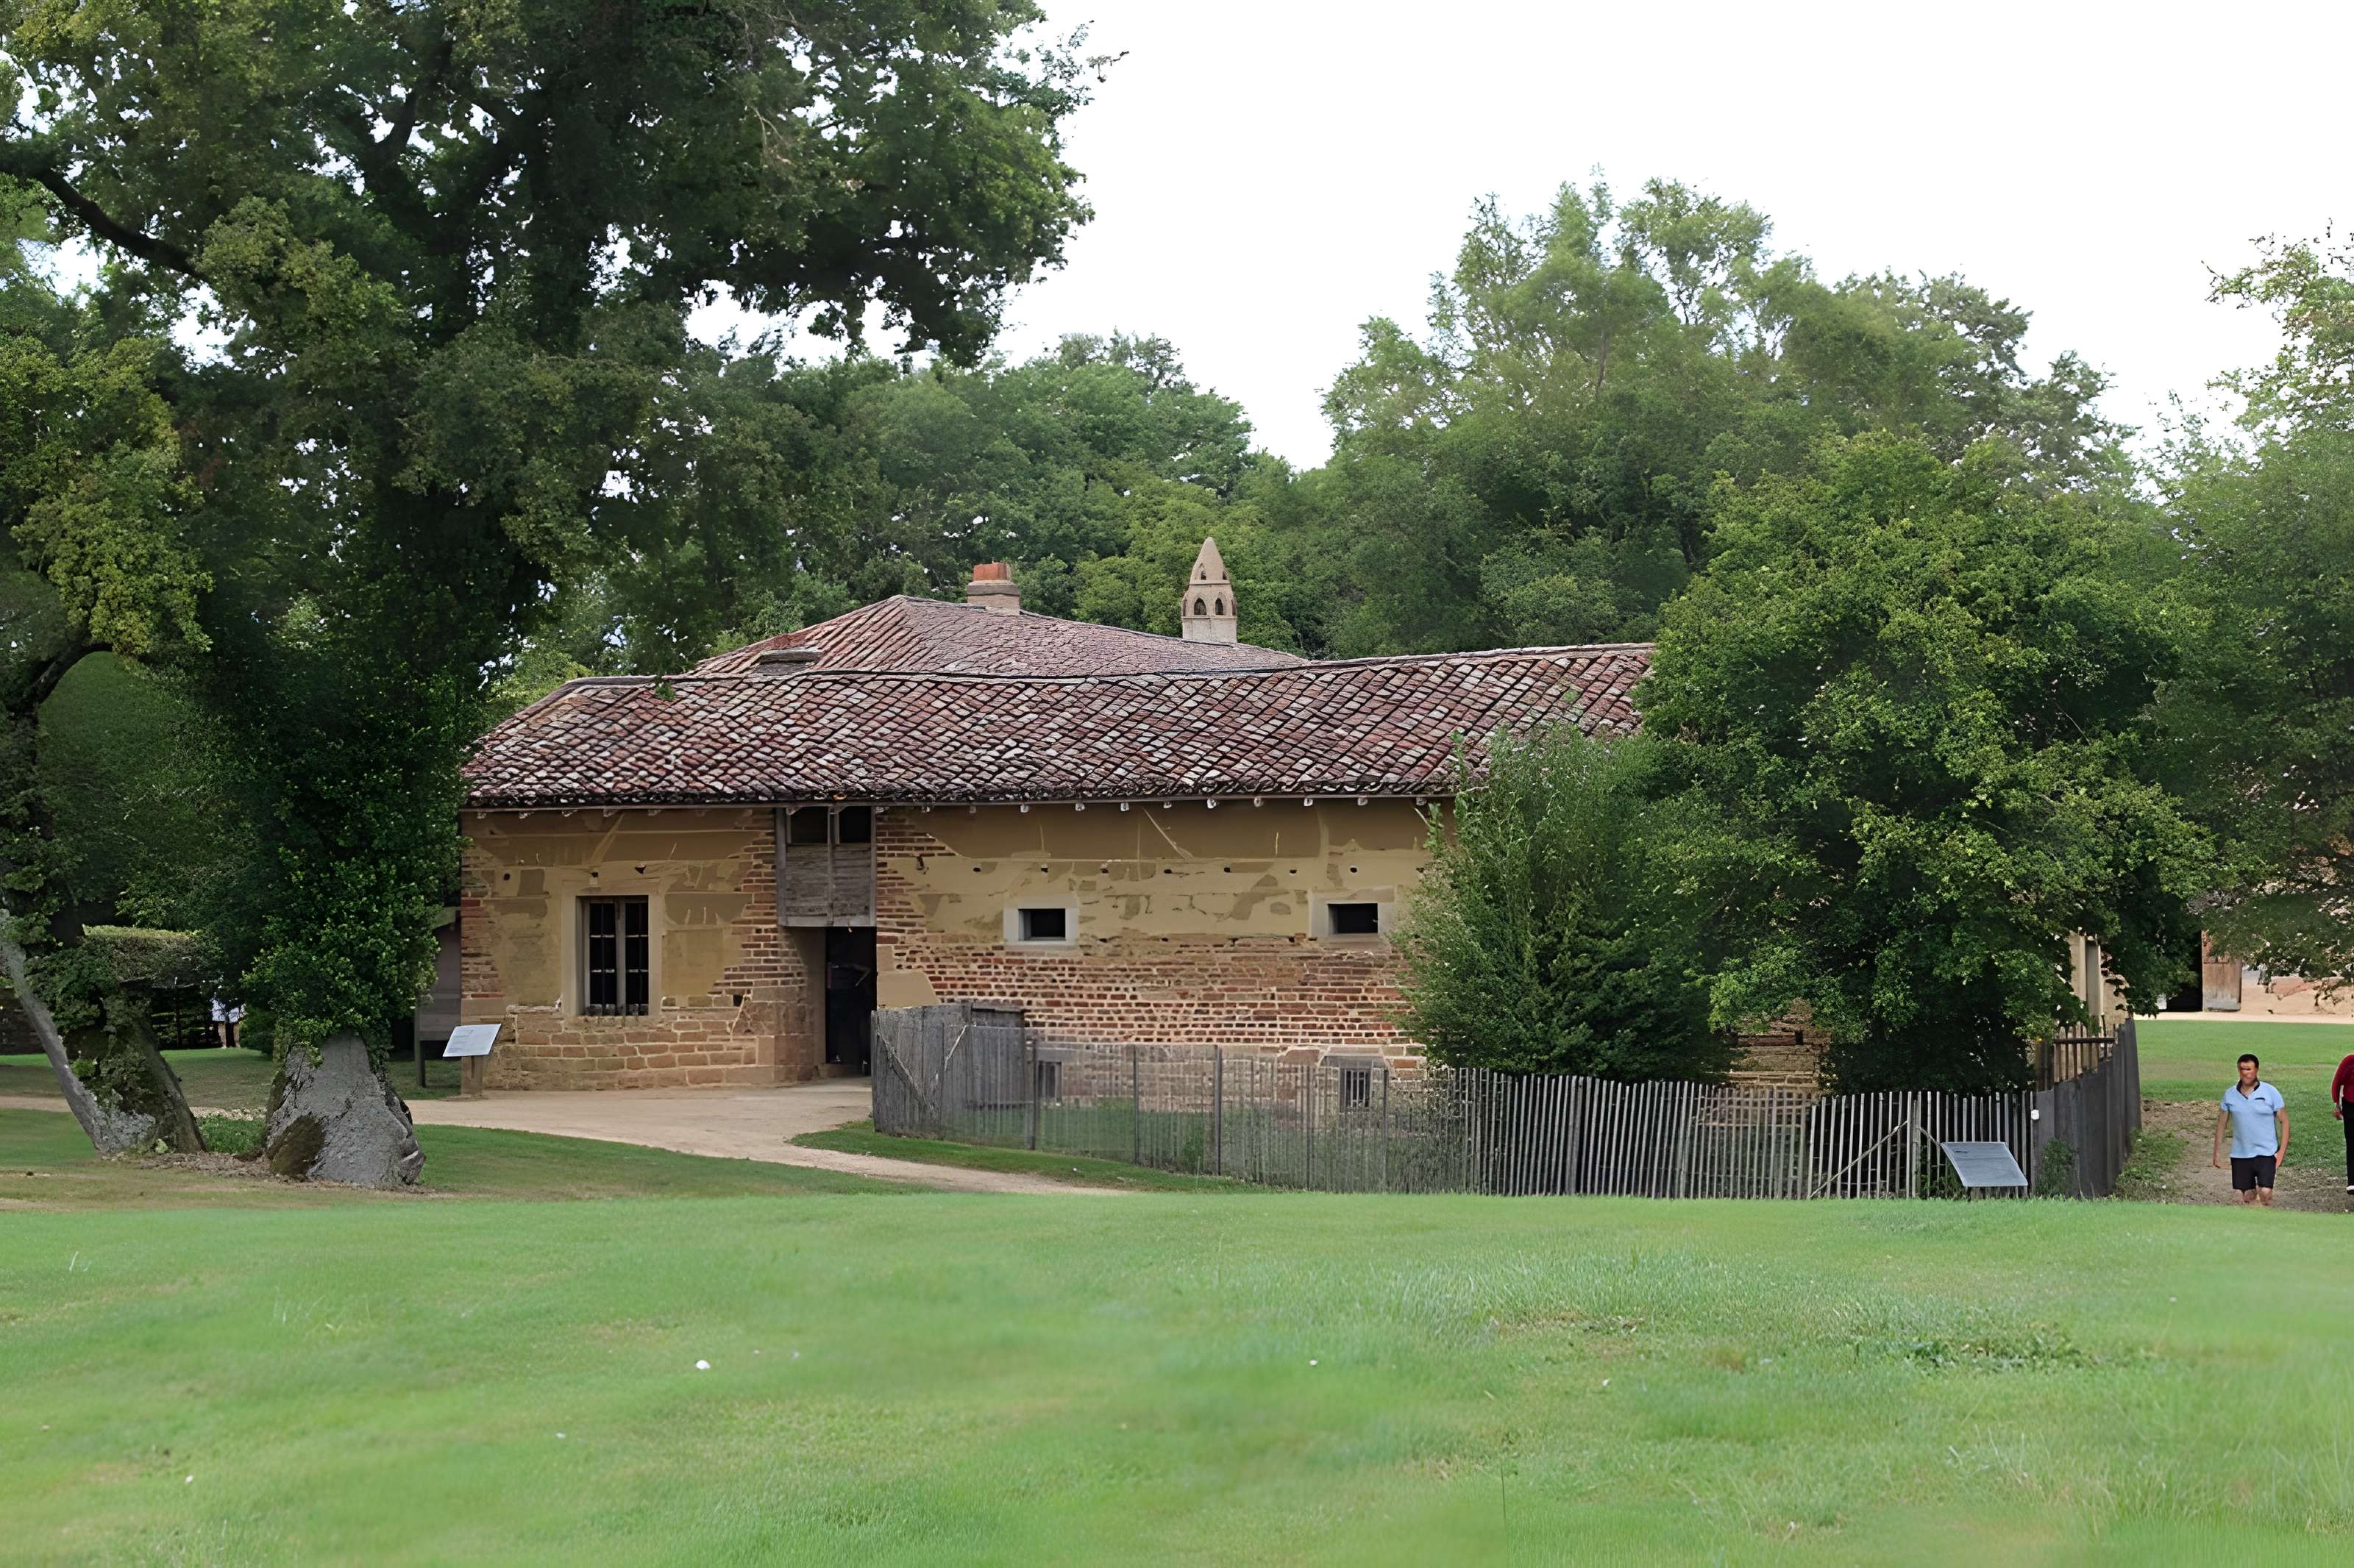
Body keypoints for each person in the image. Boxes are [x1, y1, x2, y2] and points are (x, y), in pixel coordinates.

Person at [2213, 1052, 2288, 1207]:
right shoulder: (2230, 1095)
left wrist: (2280, 1153)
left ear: (2257, 1070)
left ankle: (2268, 1218)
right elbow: (2222, 1124)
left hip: (2266, 1151)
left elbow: (2284, 1122)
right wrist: (2217, 1152)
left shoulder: (2270, 1092)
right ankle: (2252, 1222)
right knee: (2248, 1195)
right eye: (2242, 1069)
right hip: (2241, 1153)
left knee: (2266, 1192)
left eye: (2248, 1069)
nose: (2245, 1073)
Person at [2333, 1049, 2354, 1195]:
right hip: (2351, 1105)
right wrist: (2337, 1104)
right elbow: (2338, 1082)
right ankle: (2352, 1182)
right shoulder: (2349, 1061)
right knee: (2352, 1143)